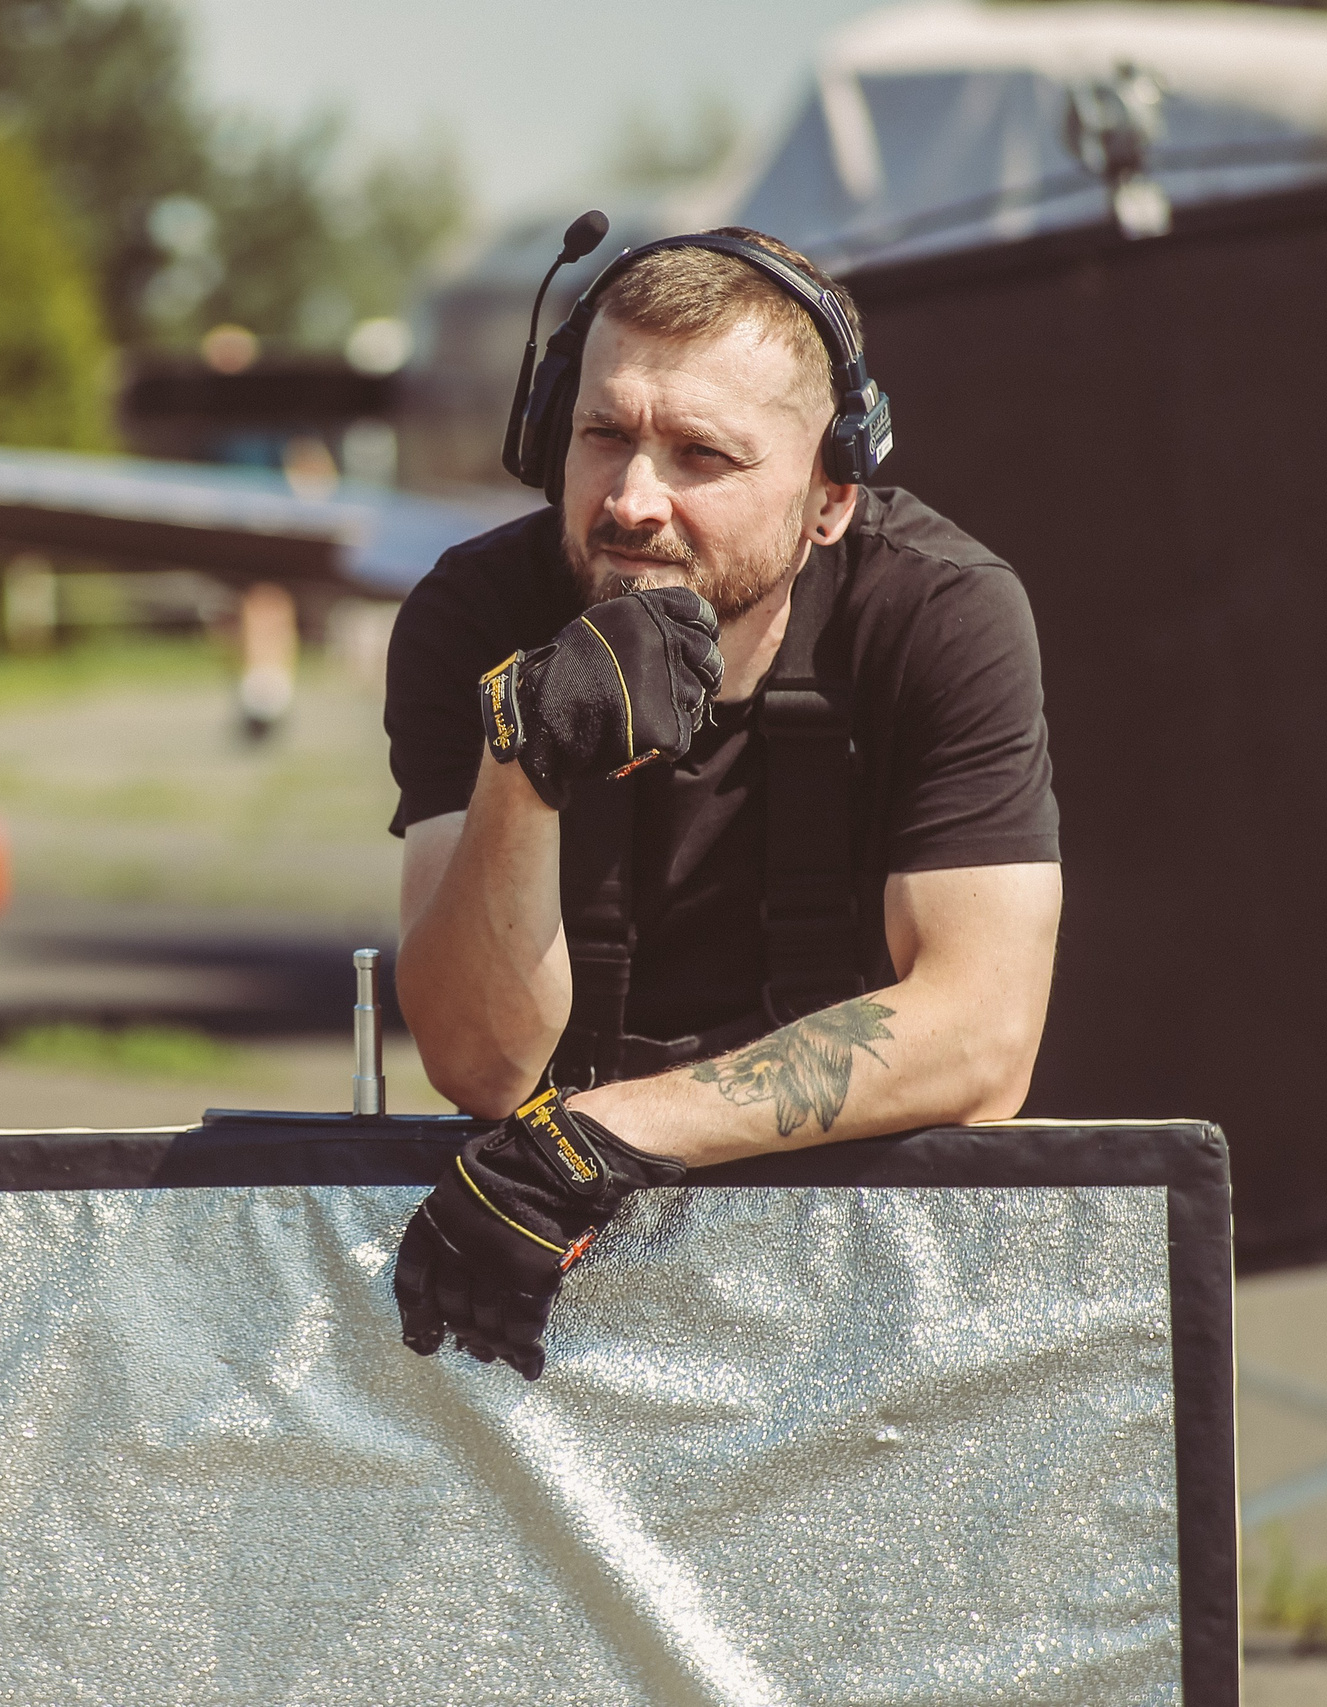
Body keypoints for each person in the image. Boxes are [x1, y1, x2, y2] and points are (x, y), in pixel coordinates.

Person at [386, 226, 1063, 1379]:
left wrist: (610, 1130)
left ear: (829, 499)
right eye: (603, 436)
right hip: (550, 1275)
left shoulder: (940, 615)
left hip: (863, 1275)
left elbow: (983, 1036)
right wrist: (524, 759)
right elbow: (479, 1064)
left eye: (701, 455)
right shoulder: (474, 614)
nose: (631, 501)